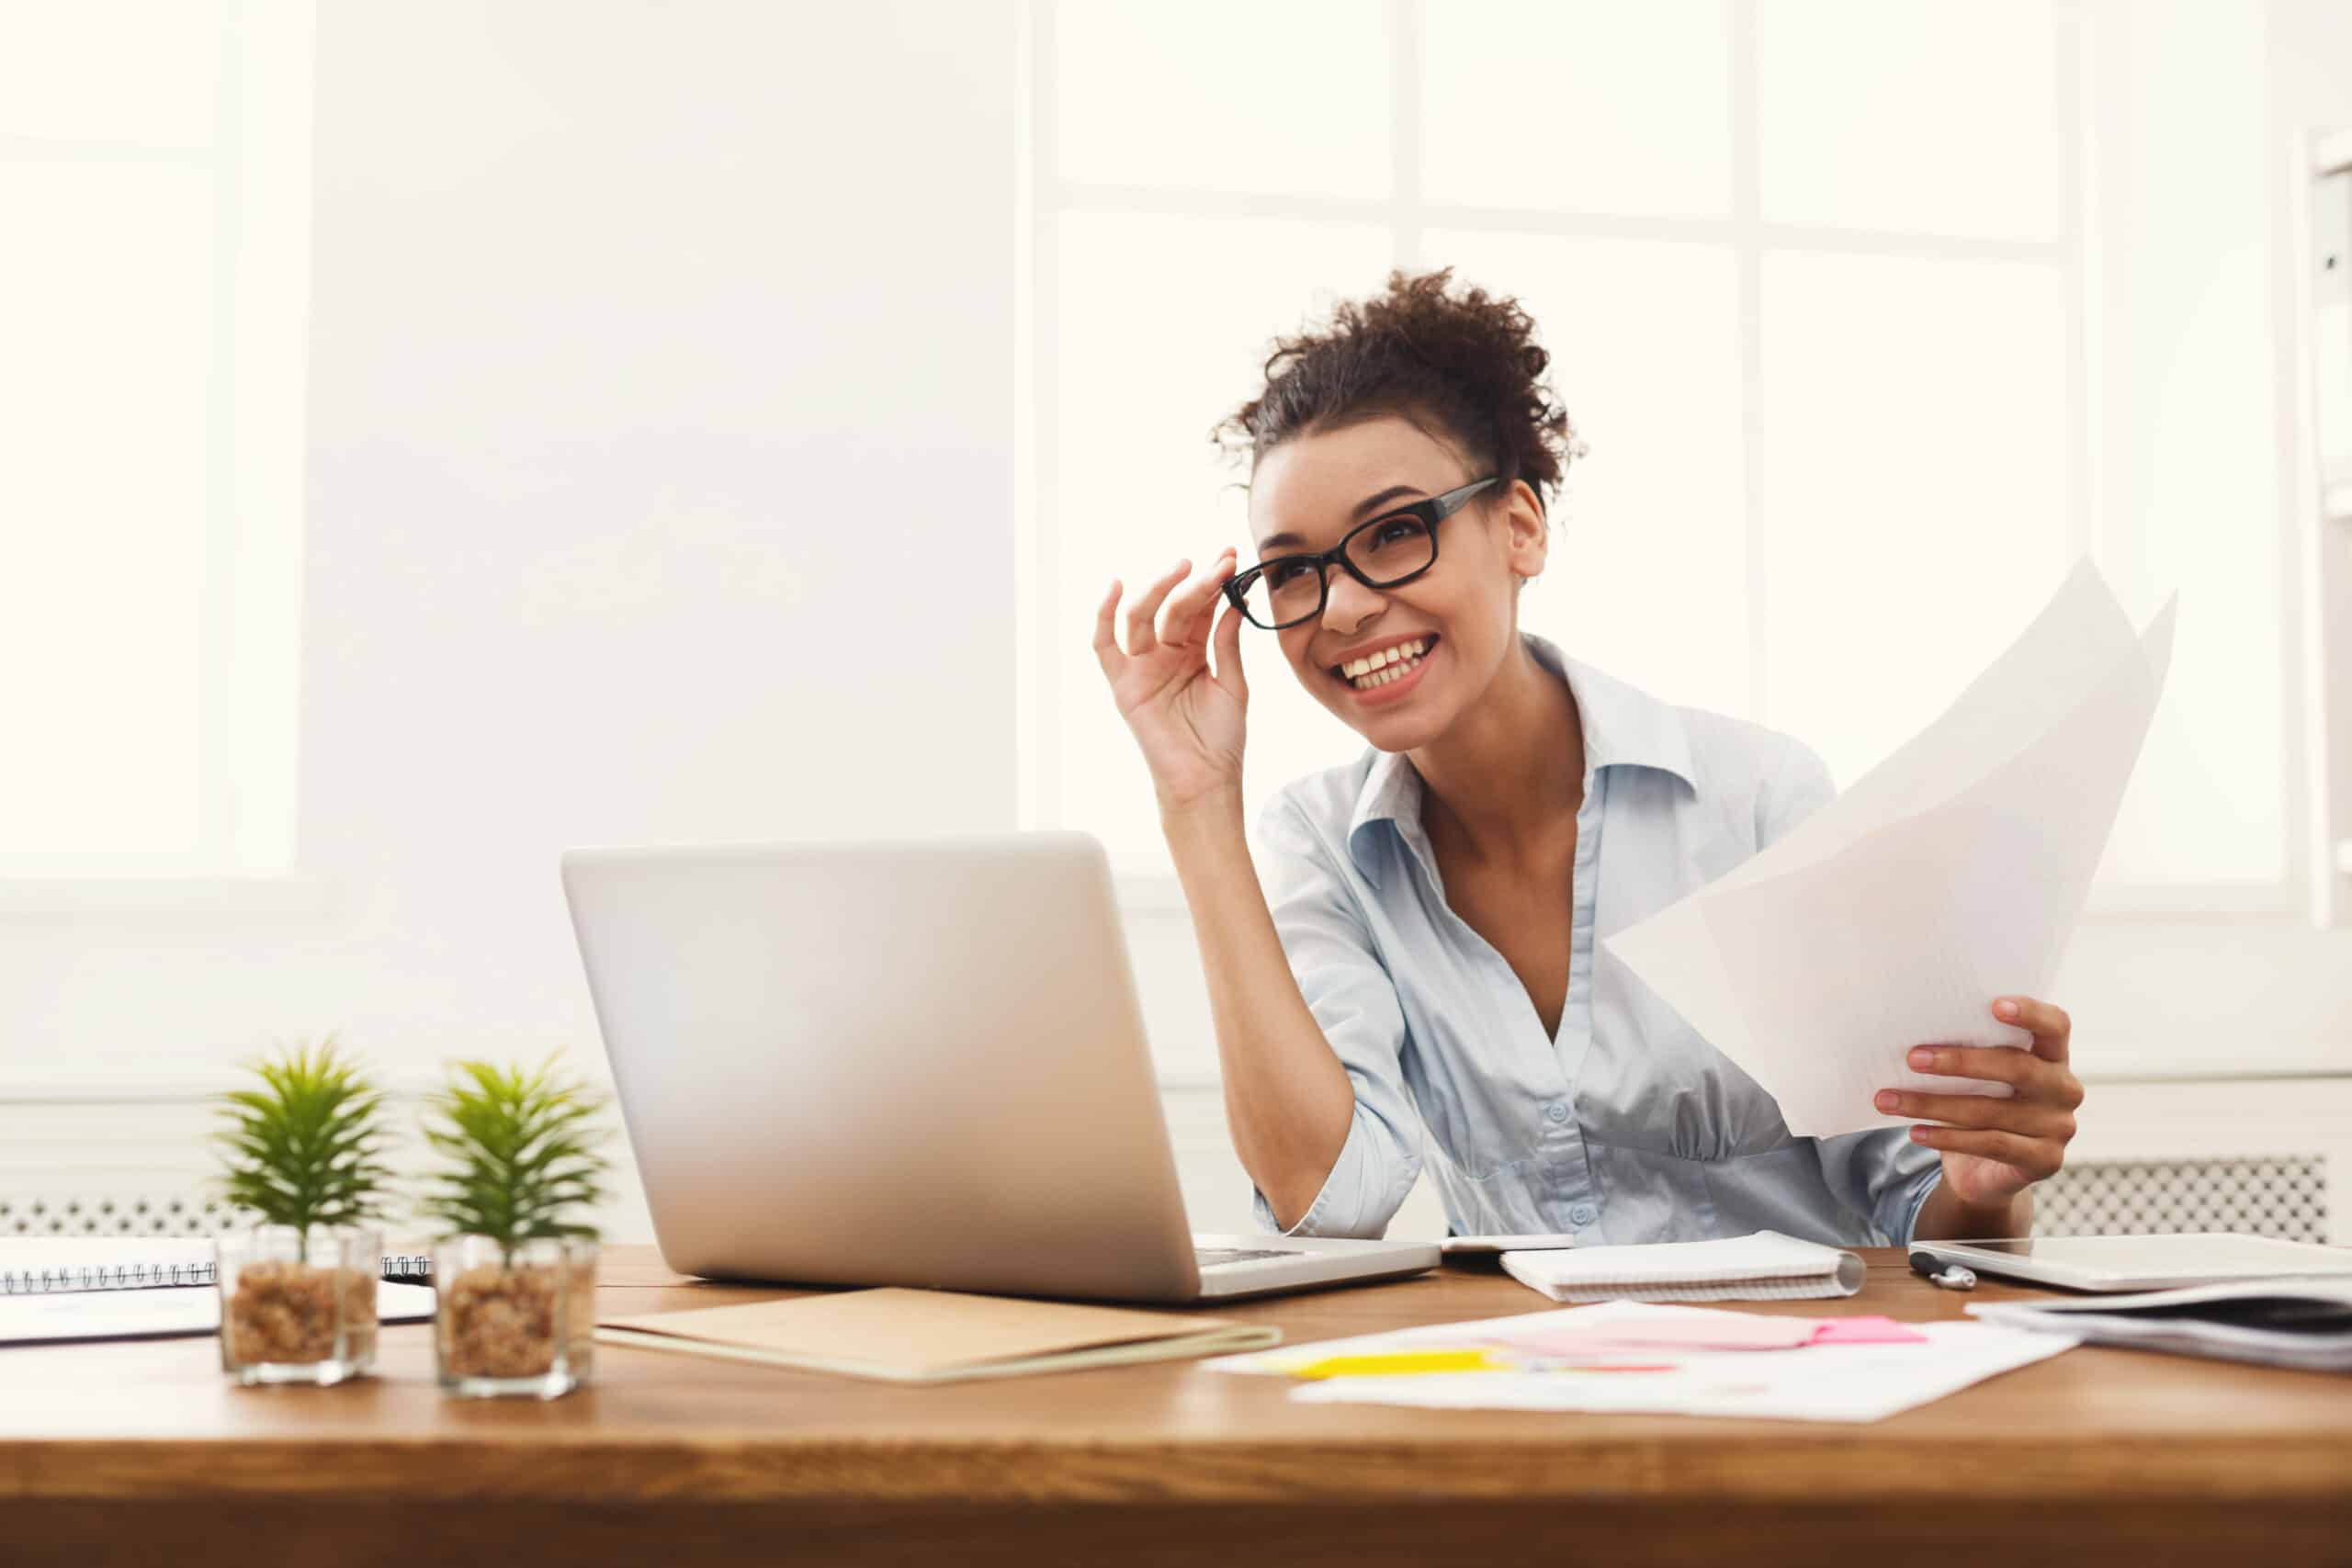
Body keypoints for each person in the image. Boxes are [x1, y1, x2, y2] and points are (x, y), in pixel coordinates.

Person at [1091, 268, 2081, 1247]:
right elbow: (1330, 1200)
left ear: (1519, 528)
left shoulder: (1757, 801)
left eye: (1394, 535)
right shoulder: (1320, 844)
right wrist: (1195, 800)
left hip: (1802, 1382)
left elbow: (1927, 1212)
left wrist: (1984, 1185)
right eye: (1294, 570)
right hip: (1531, 1392)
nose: (1342, 606)